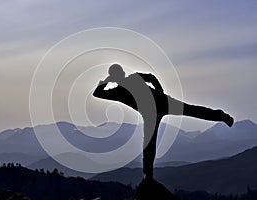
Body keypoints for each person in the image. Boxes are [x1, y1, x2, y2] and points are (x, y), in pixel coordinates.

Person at [93, 63, 234, 179]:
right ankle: (148, 176)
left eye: (119, 73)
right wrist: (106, 80)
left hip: (164, 103)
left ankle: (221, 116)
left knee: (191, 110)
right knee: (149, 145)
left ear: (122, 73)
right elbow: (97, 93)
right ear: (115, 76)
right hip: (151, 114)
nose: (119, 76)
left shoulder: (133, 78)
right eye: (116, 74)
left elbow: (151, 78)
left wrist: (159, 92)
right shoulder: (117, 92)